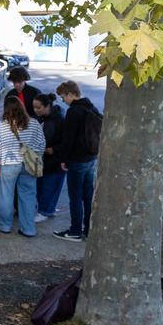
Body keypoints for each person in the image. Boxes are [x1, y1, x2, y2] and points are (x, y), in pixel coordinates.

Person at [53, 80, 101, 242]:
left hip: (77, 159)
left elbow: (68, 139)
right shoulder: (90, 107)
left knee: (75, 196)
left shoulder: (74, 111)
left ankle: (75, 230)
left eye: (63, 97)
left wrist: (63, 159)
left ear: (70, 94)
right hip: (90, 157)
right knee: (87, 196)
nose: (63, 101)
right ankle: (88, 228)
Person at [0, 97, 46, 236]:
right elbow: (41, 145)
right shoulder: (34, 123)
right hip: (29, 164)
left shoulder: (3, 125)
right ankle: (28, 228)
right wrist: (36, 157)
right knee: (28, 196)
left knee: (6, 195)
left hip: (9, 164)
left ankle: (4, 225)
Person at [33, 93, 66, 222]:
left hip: (54, 160)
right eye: (34, 108)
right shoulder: (46, 118)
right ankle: (48, 209)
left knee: (48, 186)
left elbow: (65, 140)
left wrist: (54, 149)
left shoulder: (57, 120)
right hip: (49, 159)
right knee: (48, 186)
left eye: (38, 108)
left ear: (47, 106)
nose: (36, 110)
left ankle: (45, 211)